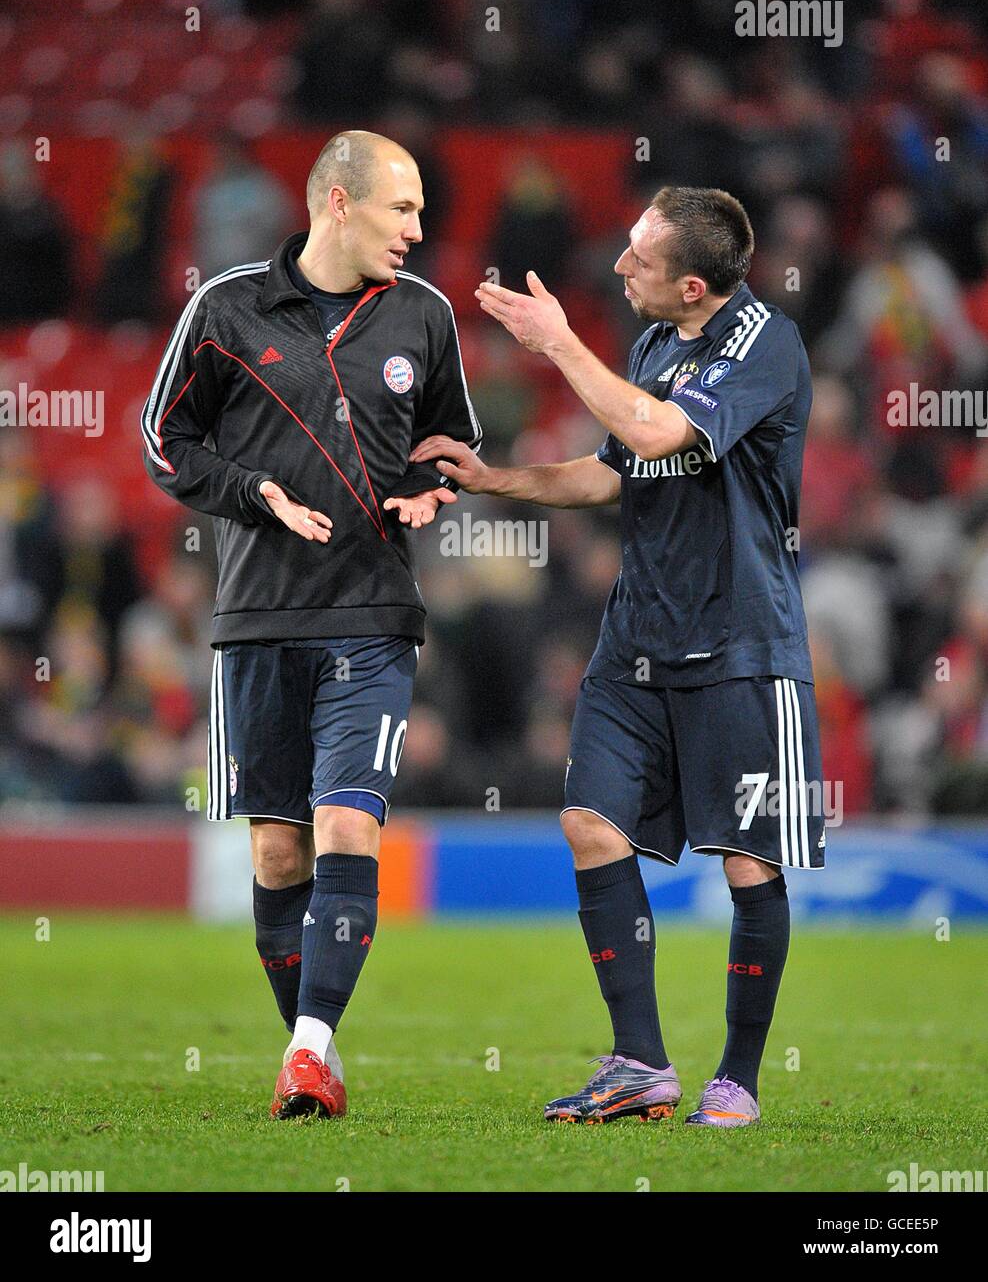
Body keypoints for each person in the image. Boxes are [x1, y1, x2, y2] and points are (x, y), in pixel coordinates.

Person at [411, 186, 823, 1128]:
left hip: (741, 643)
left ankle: (739, 1078)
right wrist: (497, 477)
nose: (619, 266)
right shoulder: (649, 346)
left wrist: (557, 342)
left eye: (638, 258)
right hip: (635, 640)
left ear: (691, 283)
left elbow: (655, 432)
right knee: (590, 824)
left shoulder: (766, 343)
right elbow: (615, 467)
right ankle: (639, 1061)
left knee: (747, 864)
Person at [141, 130, 481, 1120]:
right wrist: (252, 491)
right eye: (402, 209)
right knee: (278, 855)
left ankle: (307, 1048)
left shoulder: (422, 316)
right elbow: (166, 442)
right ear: (338, 202)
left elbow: (453, 440)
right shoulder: (226, 308)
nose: (419, 230)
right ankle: (314, 1050)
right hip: (254, 618)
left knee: (345, 825)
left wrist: (428, 487)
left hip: (373, 616)